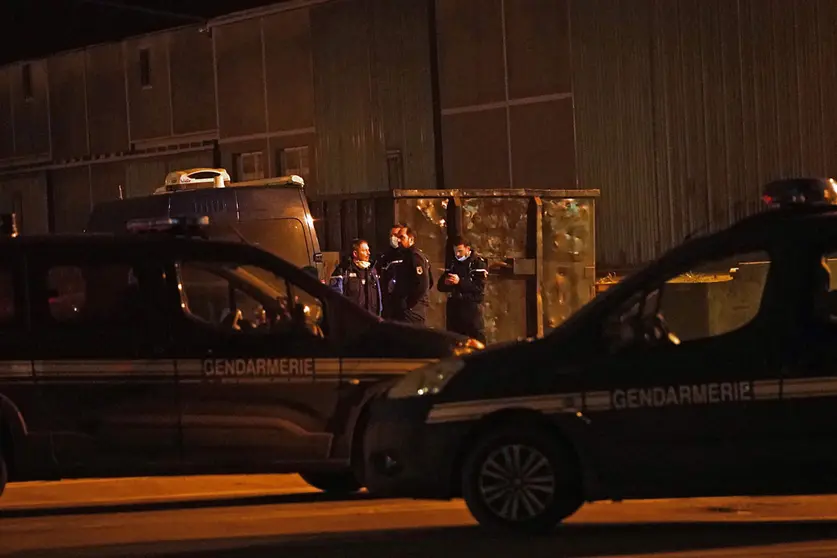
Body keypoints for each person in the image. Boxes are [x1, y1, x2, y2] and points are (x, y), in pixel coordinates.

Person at [437, 235, 488, 343]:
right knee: (454, 341)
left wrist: (460, 282)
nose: (457, 254)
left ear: (468, 249)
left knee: (475, 341)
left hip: (471, 310)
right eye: (455, 251)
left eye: (460, 251)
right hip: (454, 309)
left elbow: (478, 287)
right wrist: (446, 282)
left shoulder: (477, 263)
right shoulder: (453, 263)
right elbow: (440, 286)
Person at [329, 238, 382, 316]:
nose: (368, 253)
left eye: (368, 250)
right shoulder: (343, 270)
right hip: (352, 320)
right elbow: (336, 297)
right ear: (355, 253)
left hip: (372, 318)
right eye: (364, 251)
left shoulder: (372, 270)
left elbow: (379, 296)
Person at [391, 225, 432, 324]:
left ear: (411, 239)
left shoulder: (415, 257)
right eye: (398, 238)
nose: (399, 241)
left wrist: (409, 303)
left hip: (413, 311)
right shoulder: (406, 256)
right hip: (406, 309)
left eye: (402, 237)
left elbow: (424, 284)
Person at [375, 223, 406, 319]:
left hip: (406, 304)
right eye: (391, 235)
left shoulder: (409, 256)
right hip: (388, 304)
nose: (393, 238)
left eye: (396, 235)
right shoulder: (384, 256)